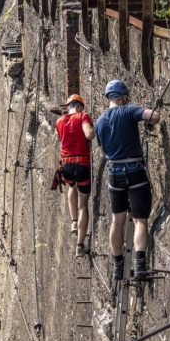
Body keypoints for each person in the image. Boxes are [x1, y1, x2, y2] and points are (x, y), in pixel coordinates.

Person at [94, 79, 161, 281]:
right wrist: (148, 120)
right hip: (134, 169)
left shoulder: (99, 122)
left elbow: (104, 154)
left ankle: (118, 266)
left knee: (117, 220)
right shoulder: (129, 110)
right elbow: (155, 116)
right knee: (140, 220)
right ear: (123, 97)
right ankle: (140, 265)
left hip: (114, 172)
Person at [55, 94, 95, 256]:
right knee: (83, 204)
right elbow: (89, 135)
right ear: (79, 106)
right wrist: (93, 127)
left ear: (68, 106)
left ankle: (73, 222)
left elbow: (61, 139)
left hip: (67, 165)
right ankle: (80, 245)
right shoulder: (83, 116)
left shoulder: (58, 122)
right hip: (83, 164)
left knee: (71, 186)